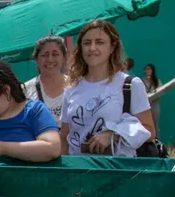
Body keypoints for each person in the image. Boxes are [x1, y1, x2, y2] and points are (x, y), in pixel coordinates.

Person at [60, 21, 155, 157]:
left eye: (99, 42)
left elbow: (149, 131)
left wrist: (113, 136)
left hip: (116, 171)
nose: (92, 48)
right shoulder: (71, 88)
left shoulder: (129, 84)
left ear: (112, 47)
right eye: (87, 43)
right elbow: (64, 136)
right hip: (78, 171)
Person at [22, 35, 68, 123]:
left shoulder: (76, 85)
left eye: (55, 54)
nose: (50, 59)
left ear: (64, 58)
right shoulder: (24, 90)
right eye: (45, 55)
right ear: (36, 59)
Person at [143, 63, 161, 140]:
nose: (146, 71)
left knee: (155, 124)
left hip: (154, 105)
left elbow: (160, 92)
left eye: (148, 69)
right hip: (144, 106)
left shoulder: (157, 81)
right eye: (145, 69)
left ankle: (157, 142)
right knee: (145, 125)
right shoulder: (141, 81)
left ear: (152, 70)